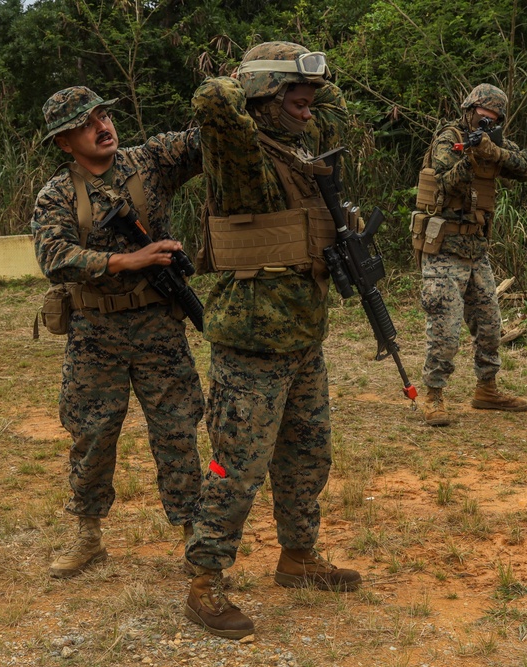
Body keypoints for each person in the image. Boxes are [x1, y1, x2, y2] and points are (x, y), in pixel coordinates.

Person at [183, 42, 362, 640]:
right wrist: (248, 79)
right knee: (236, 467)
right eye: (293, 93)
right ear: (261, 95)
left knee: (308, 456)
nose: (307, 104)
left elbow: (325, 106)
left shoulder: (297, 152)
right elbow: (211, 100)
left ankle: (298, 557)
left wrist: (302, 86)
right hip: (253, 342)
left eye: (309, 95)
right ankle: (205, 581)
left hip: (302, 336)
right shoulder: (243, 157)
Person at [29, 86, 204, 578]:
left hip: (159, 328)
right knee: (92, 433)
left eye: (104, 116)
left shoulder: (149, 162)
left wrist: (225, 97)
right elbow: (54, 258)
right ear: (65, 142)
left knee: (177, 430)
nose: (103, 127)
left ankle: (194, 534)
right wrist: (128, 260)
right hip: (95, 332)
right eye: (87, 124)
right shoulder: (57, 194)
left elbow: (202, 141)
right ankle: (87, 535)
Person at [414, 84, 527, 427]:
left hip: (476, 250)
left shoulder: (492, 141)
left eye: (494, 121)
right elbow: (442, 186)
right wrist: (471, 158)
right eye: (483, 118)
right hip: (444, 249)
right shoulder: (448, 139)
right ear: (469, 110)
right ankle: (433, 395)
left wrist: (494, 152)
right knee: (445, 328)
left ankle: (487, 389)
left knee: (489, 326)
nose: (486, 125)